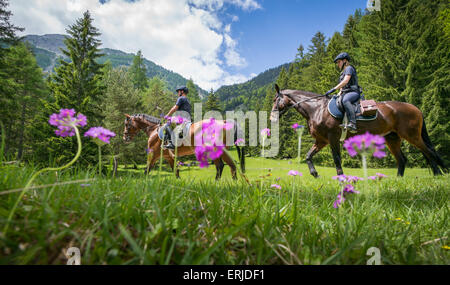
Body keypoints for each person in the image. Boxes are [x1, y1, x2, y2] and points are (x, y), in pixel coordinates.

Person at [324, 52, 360, 133]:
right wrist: (336, 95)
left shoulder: (349, 68)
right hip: (345, 92)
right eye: (337, 62)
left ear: (345, 61)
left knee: (345, 100)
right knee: (337, 100)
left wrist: (333, 89)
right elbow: (342, 88)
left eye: (339, 62)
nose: (338, 64)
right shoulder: (342, 73)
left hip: (353, 92)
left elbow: (345, 81)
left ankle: (353, 123)